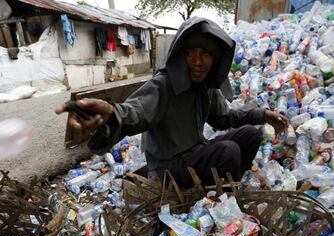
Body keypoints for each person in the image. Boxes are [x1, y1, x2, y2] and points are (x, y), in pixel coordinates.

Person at [56, 17, 288, 188]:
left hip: (197, 154)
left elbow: (223, 119)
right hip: (168, 170)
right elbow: (135, 111)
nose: (198, 61)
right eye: (191, 52)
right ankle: (221, 201)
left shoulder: (206, 87)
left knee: (250, 135)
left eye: (206, 53)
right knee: (228, 152)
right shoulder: (164, 85)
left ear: (215, 59)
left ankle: (231, 184)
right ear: (181, 55)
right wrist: (111, 115)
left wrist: (262, 114)